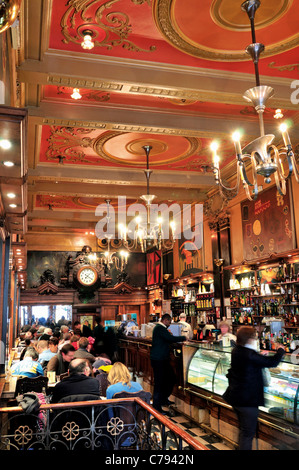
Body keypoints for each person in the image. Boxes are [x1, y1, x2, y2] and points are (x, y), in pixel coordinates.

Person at [223, 326, 285, 450]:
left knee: (244, 430)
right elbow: (272, 362)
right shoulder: (249, 355)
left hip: (236, 398)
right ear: (250, 339)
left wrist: (259, 355)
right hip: (247, 401)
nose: (255, 339)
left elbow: (251, 360)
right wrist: (280, 351)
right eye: (254, 337)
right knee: (248, 433)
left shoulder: (237, 350)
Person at [150, 313, 186, 413]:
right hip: (159, 359)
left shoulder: (160, 328)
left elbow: (168, 338)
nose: (170, 324)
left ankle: (163, 399)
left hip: (161, 359)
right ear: (165, 320)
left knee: (170, 379)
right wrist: (183, 338)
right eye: (169, 322)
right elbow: (170, 339)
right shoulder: (160, 328)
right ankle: (157, 406)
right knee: (160, 382)